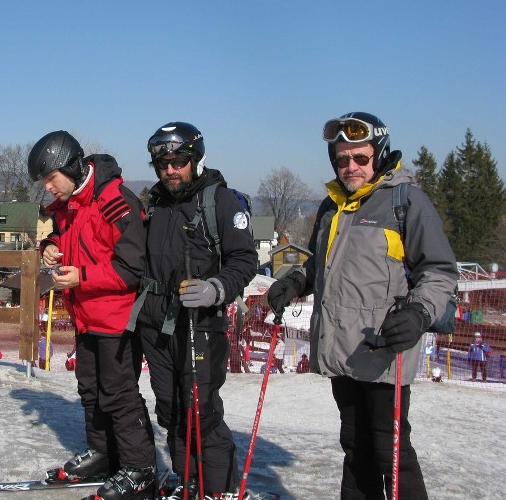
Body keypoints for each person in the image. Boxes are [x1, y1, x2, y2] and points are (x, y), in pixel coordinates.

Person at [267, 112, 458, 500]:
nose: (350, 166)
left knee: (391, 453)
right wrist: (296, 281)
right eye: (341, 159)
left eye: (360, 158)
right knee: (355, 449)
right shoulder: (331, 206)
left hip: (386, 352)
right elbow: (321, 265)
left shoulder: (407, 202)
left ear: (379, 155)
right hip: (342, 352)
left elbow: (439, 271)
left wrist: (419, 313)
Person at [28, 130, 156, 500]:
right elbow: (64, 237)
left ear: (70, 166)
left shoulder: (114, 200)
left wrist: (82, 276)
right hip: (86, 316)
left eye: (51, 179)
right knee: (90, 390)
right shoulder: (69, 205)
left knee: (119, 395)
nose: (48, 188)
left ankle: (139, 468)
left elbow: (132, 268)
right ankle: (103, 454)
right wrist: (50, 247)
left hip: (117, 319)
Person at [136, 122, 258, 500]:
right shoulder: (155, 202)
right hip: (156, 322)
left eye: (179, 162)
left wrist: (215, 288)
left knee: (199, 409)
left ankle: (216, 488)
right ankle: (187, 478)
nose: (171, 170)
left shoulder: (220, 201)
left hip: (200, 321)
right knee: (170, 407)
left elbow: (244, 259)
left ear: (196, 159)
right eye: (163, 165)